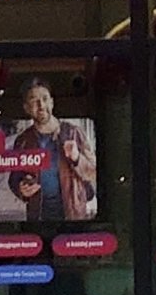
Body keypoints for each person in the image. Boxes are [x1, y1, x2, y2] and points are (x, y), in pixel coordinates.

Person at [7, 77, 97, 222]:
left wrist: (77, 158)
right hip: (38, 216)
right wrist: (21, 189)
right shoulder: (23, 140)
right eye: (34, 100)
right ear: (26, 108)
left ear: (52, 102)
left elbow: (94, 172)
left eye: (44, 98)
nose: (41, 105)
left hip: (73, 214)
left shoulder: (74, 132)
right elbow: (14, 179)